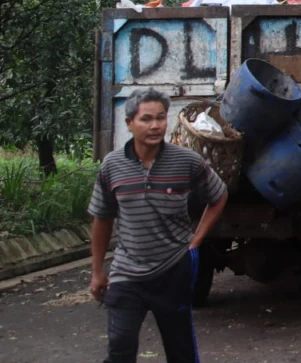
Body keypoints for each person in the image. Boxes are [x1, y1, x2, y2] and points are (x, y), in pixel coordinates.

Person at [89, 88, 229, 363]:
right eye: (146, 119)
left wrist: (196, 240)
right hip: (127, 272)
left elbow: (219, 195)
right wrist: (96, 271)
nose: (155, 126)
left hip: (173, 270)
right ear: (130, 123)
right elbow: (102, 217)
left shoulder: (187, 161)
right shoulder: (112, 166)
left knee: (180, 350)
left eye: (161, 118)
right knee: (120, 346)